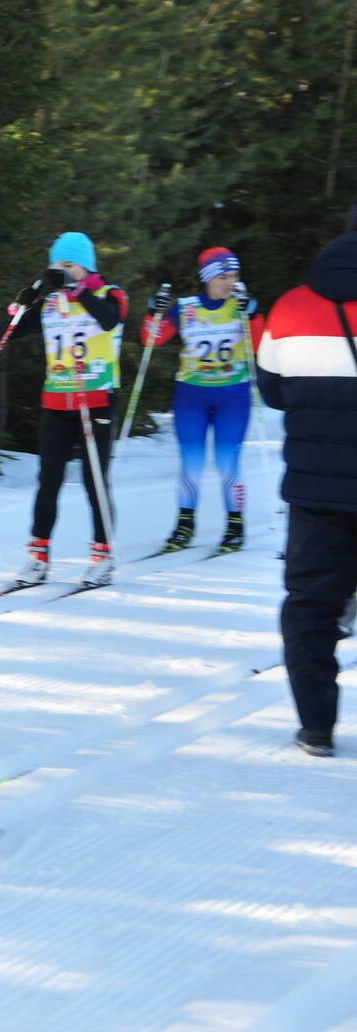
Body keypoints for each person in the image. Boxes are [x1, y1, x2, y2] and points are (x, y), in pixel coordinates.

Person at [256, 211, 357, 757]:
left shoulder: (291, 305)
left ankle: (316, 724)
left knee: (310, 606)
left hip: (316, 491)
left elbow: (274, 391)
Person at [8, 232, 128, 588]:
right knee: (48, 481)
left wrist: (80, 291)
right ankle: (38, 556)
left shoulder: (109, 293)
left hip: (96, 399)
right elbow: (9, 333)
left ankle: (102, 555)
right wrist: (21, 305)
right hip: (58, 401)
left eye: (68, 265)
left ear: (86, 266)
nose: (61, 272)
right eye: (56, 266)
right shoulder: (49, 304)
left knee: (95, 482)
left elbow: (110, 320)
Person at [141, 247, 266, 553]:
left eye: (234, 276)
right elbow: (151, 339)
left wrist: (252, 312)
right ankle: (185, 523)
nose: (230, 282)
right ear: (208, 278)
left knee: (227, 461)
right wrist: (152, 311)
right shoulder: (186, 308)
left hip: (232, 395)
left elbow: (262, 343)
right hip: (191, 396)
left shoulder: (241, 307)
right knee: (191, 462)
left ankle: (235, 525)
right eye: (223, 276)